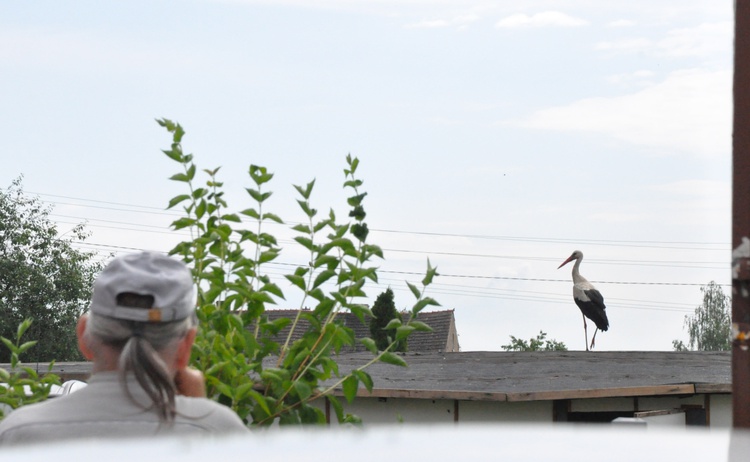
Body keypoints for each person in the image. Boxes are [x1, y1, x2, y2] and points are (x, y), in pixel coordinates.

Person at [0, 251, 249, 444]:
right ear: (186, 345)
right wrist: (200, 415)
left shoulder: (19, 433)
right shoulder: (221, 432)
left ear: (84, 335)